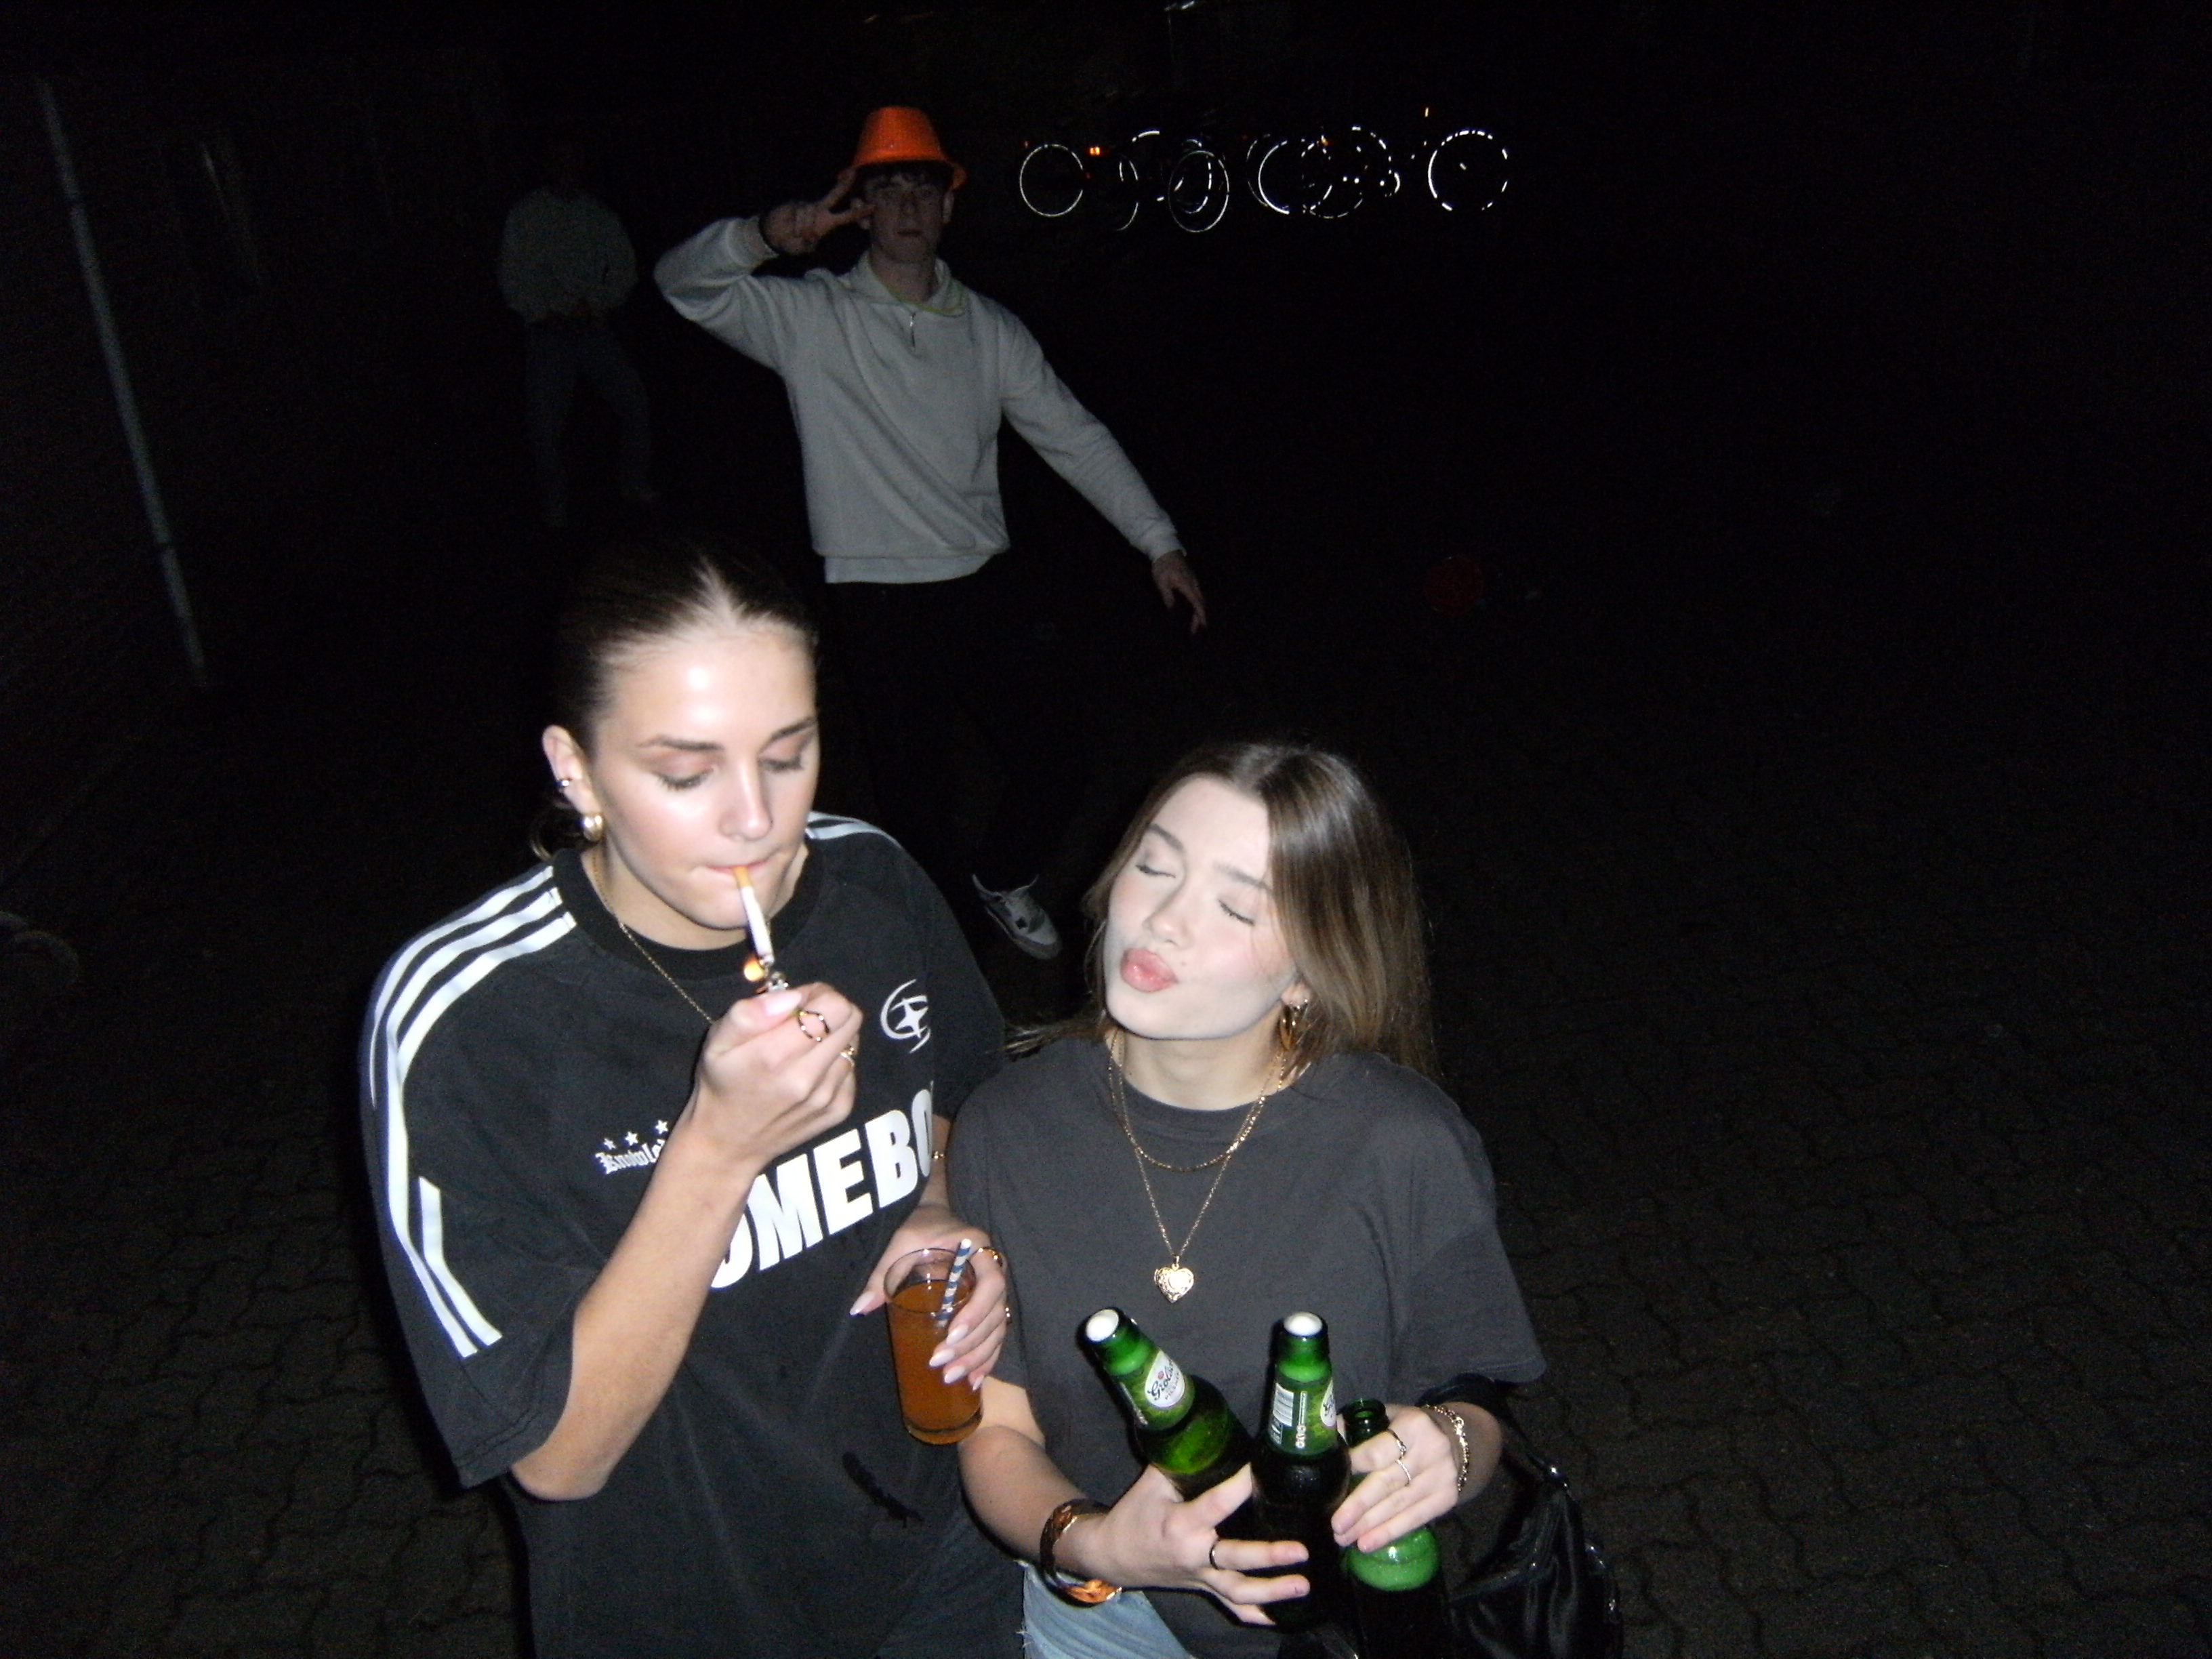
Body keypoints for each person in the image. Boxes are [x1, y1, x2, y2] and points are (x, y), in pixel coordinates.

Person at [361, 530, 1020, 1658]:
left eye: (788, 754)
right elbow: (557, 1453)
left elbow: (966, 1103)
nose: (754, 819)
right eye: (685, 773)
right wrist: (718, 1147)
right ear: (575, 769)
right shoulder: (471, 1020)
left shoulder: (871, 880)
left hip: (937, 1548)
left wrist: (938, 1206)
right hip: (689, 1598)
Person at [948, 741, 1547, 1658]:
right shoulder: (1008, 1125)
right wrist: (1097, 1545)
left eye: (1235, 907)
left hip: (1336, 1625)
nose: (1164, 921)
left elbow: (1472, 1398)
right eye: (1155, 867)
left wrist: (1450, 1452)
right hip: (1107, 1617)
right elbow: (997, 1431)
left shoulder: (1403, 1142)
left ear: (1310, 971)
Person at [655, 106, 1209, 960]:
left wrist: (1158, 540)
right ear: (862, 209)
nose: (909, 204)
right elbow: (683, 285)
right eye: (889, 189)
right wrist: (767, 234)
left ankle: (1003, 875)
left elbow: (1073, 434)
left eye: (924, 187)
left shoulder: (988, 329)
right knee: (918, 801)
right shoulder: (813, 316)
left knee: (1058, 759)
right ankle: (947, 962)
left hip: (981, 581)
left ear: (949, 206)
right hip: (874, 592)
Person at [499, 136, 656, 529]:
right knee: (545, 426)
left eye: (573, 162)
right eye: (559, 162)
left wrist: (597, 302)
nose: (567, 170)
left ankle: (634, 483)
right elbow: (512, 275)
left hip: (592, 327)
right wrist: (541, 311)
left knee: (635, 404)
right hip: (547, 333)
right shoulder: (526, 216)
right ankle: (554, 505)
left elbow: (624, 269)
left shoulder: (599, 216)